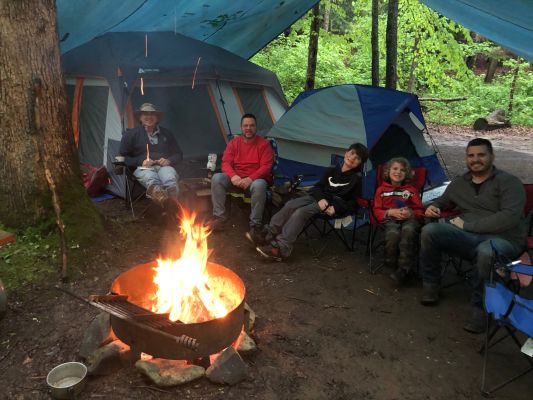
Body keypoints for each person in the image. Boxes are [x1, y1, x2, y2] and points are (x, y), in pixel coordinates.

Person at [420, 138, 527, 333]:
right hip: (467, 236)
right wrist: (434, 207)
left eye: (481, 155)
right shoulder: (459, 183)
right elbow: (442, 201)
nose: (475, 159)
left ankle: (481, 308)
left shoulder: (509, 183)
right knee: (430, 231)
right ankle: (431, 284)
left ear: (492, 156)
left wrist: (469, 225)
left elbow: (509, 217)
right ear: (466, 158)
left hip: (504, 239)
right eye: (471, 155)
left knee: (486, 252)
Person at [251, 143, 369, 261]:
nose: (353, 158)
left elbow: (353, 203)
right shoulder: (332, 169)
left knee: (301, 212)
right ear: (346, 153)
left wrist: (336, 208)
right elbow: (317, 187)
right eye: (352, 153)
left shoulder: (356, 179)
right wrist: (321, 198)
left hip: (331, 206)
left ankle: (282, 248)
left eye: (357, 158)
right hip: (318, 198)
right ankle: (269, 233)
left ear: (360, 163)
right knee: (290, 204)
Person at [210, 113, 273, 235]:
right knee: (217, 178)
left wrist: (250, 179)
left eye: (251, 125)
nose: (248, 128)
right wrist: (233, 176)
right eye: (245, 125)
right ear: (241, 128)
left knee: (260, 185)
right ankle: (219, 218)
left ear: (256, 127)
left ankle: (255, 224)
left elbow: (267, 166)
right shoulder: (234, 143)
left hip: (254, 181)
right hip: (236, 179)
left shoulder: (264, 144)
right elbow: (225, 163)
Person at [119, 103, 183, 207]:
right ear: (140, 117)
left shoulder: (167, 133)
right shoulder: (131, 134)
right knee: (152, 182)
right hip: (143, 168)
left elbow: (179, 154)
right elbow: (122, 158)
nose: (149, 117)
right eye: (145, 114)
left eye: (152, 114)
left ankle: (173, 209)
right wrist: (141, 161)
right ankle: (163, 207)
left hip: (164, 166)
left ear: (157, 118)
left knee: (170, 180)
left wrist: (169, 160)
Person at [372, 157, 424, 284]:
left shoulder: (411, 190)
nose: (398, 172)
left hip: (409, 220)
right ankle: (391, 261)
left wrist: (411, 213)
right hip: (390, 219)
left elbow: (420, 210)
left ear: (406, 174)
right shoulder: (381, 190)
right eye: (395, 169)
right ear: (388, 171)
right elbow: (376, 210)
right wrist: (389, 212)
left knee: (408, 230)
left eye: (402, 170)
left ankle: (404, 269)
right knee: (393, 234)